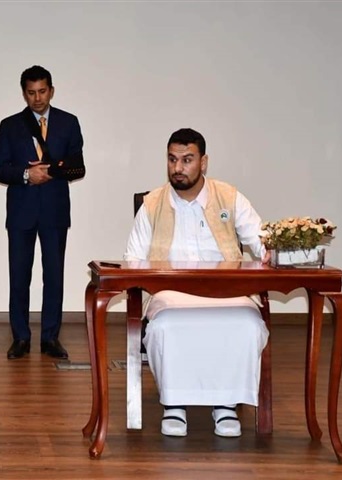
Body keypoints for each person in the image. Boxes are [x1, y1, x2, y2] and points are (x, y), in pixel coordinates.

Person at [124, 128, 270, 438]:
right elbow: (132, 260)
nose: (177, 168)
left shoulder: (229, 197)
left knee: (248, 323)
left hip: (228, 291)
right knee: (165, 325)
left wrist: (279, 250)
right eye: (172, 159)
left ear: (203, 162)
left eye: (187, 160)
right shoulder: (152, 204)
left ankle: (226, 404)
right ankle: (174, 404)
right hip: (170, 292)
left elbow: (263, 243)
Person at [0, 65, 86, 360]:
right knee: (19, 275)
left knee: (54, 276)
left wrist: (51, 171)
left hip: (55, 210)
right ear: (24, 93)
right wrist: (25, 174)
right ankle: (20, 337)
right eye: (31, 92)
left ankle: (50, 338)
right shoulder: (9, 125)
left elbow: (78, 166)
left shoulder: (69, 122)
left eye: (42, 91)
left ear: (51, 91)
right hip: (21, 210)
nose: (37, 98)